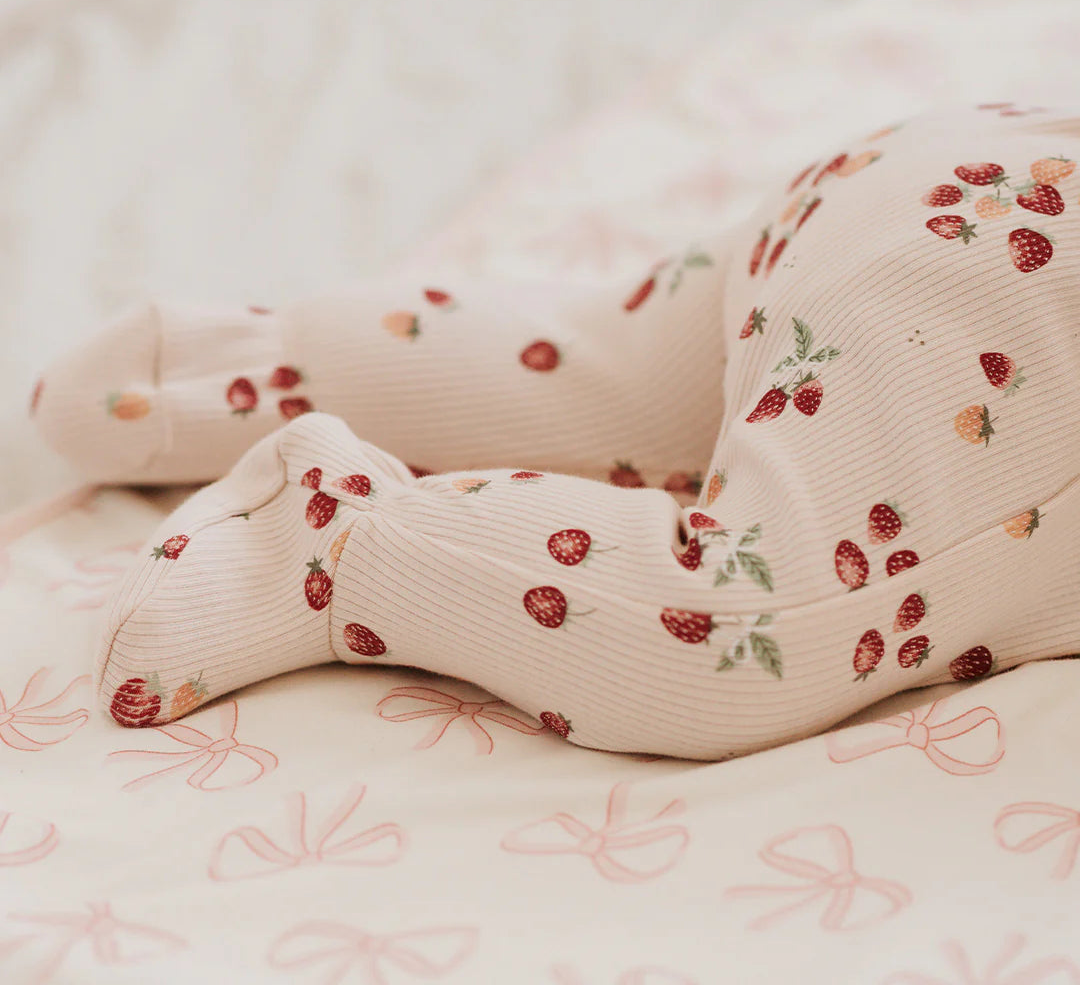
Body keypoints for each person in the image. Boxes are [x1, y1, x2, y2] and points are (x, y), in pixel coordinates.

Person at [33, 104, 1080, 760]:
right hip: (1007, 318)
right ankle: (339, 538)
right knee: (741, 626)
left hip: (963, 175)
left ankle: (208, 377)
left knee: (599, 377)